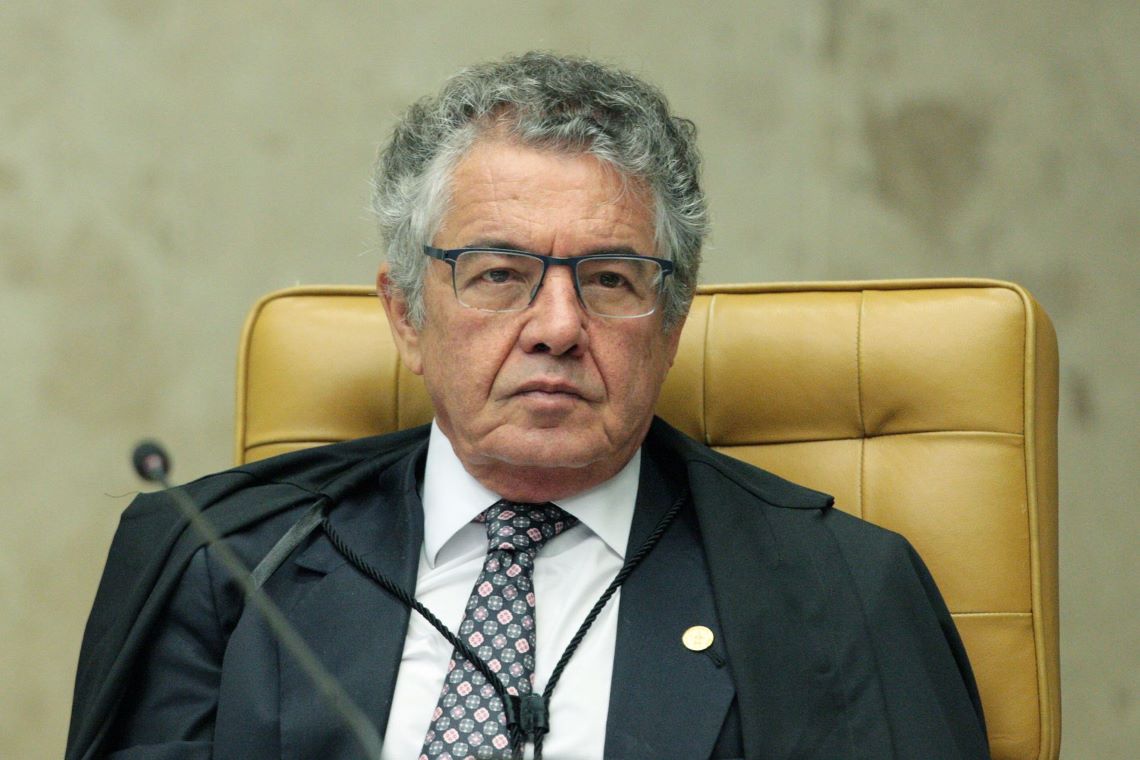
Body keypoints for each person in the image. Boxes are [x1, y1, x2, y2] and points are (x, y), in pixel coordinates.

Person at [66, 52, 990, 760]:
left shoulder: (842, 591)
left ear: (670, 325)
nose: (557, 327)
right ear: (407, 316)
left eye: (611, 278)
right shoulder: (220, 565)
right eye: (500, 274)